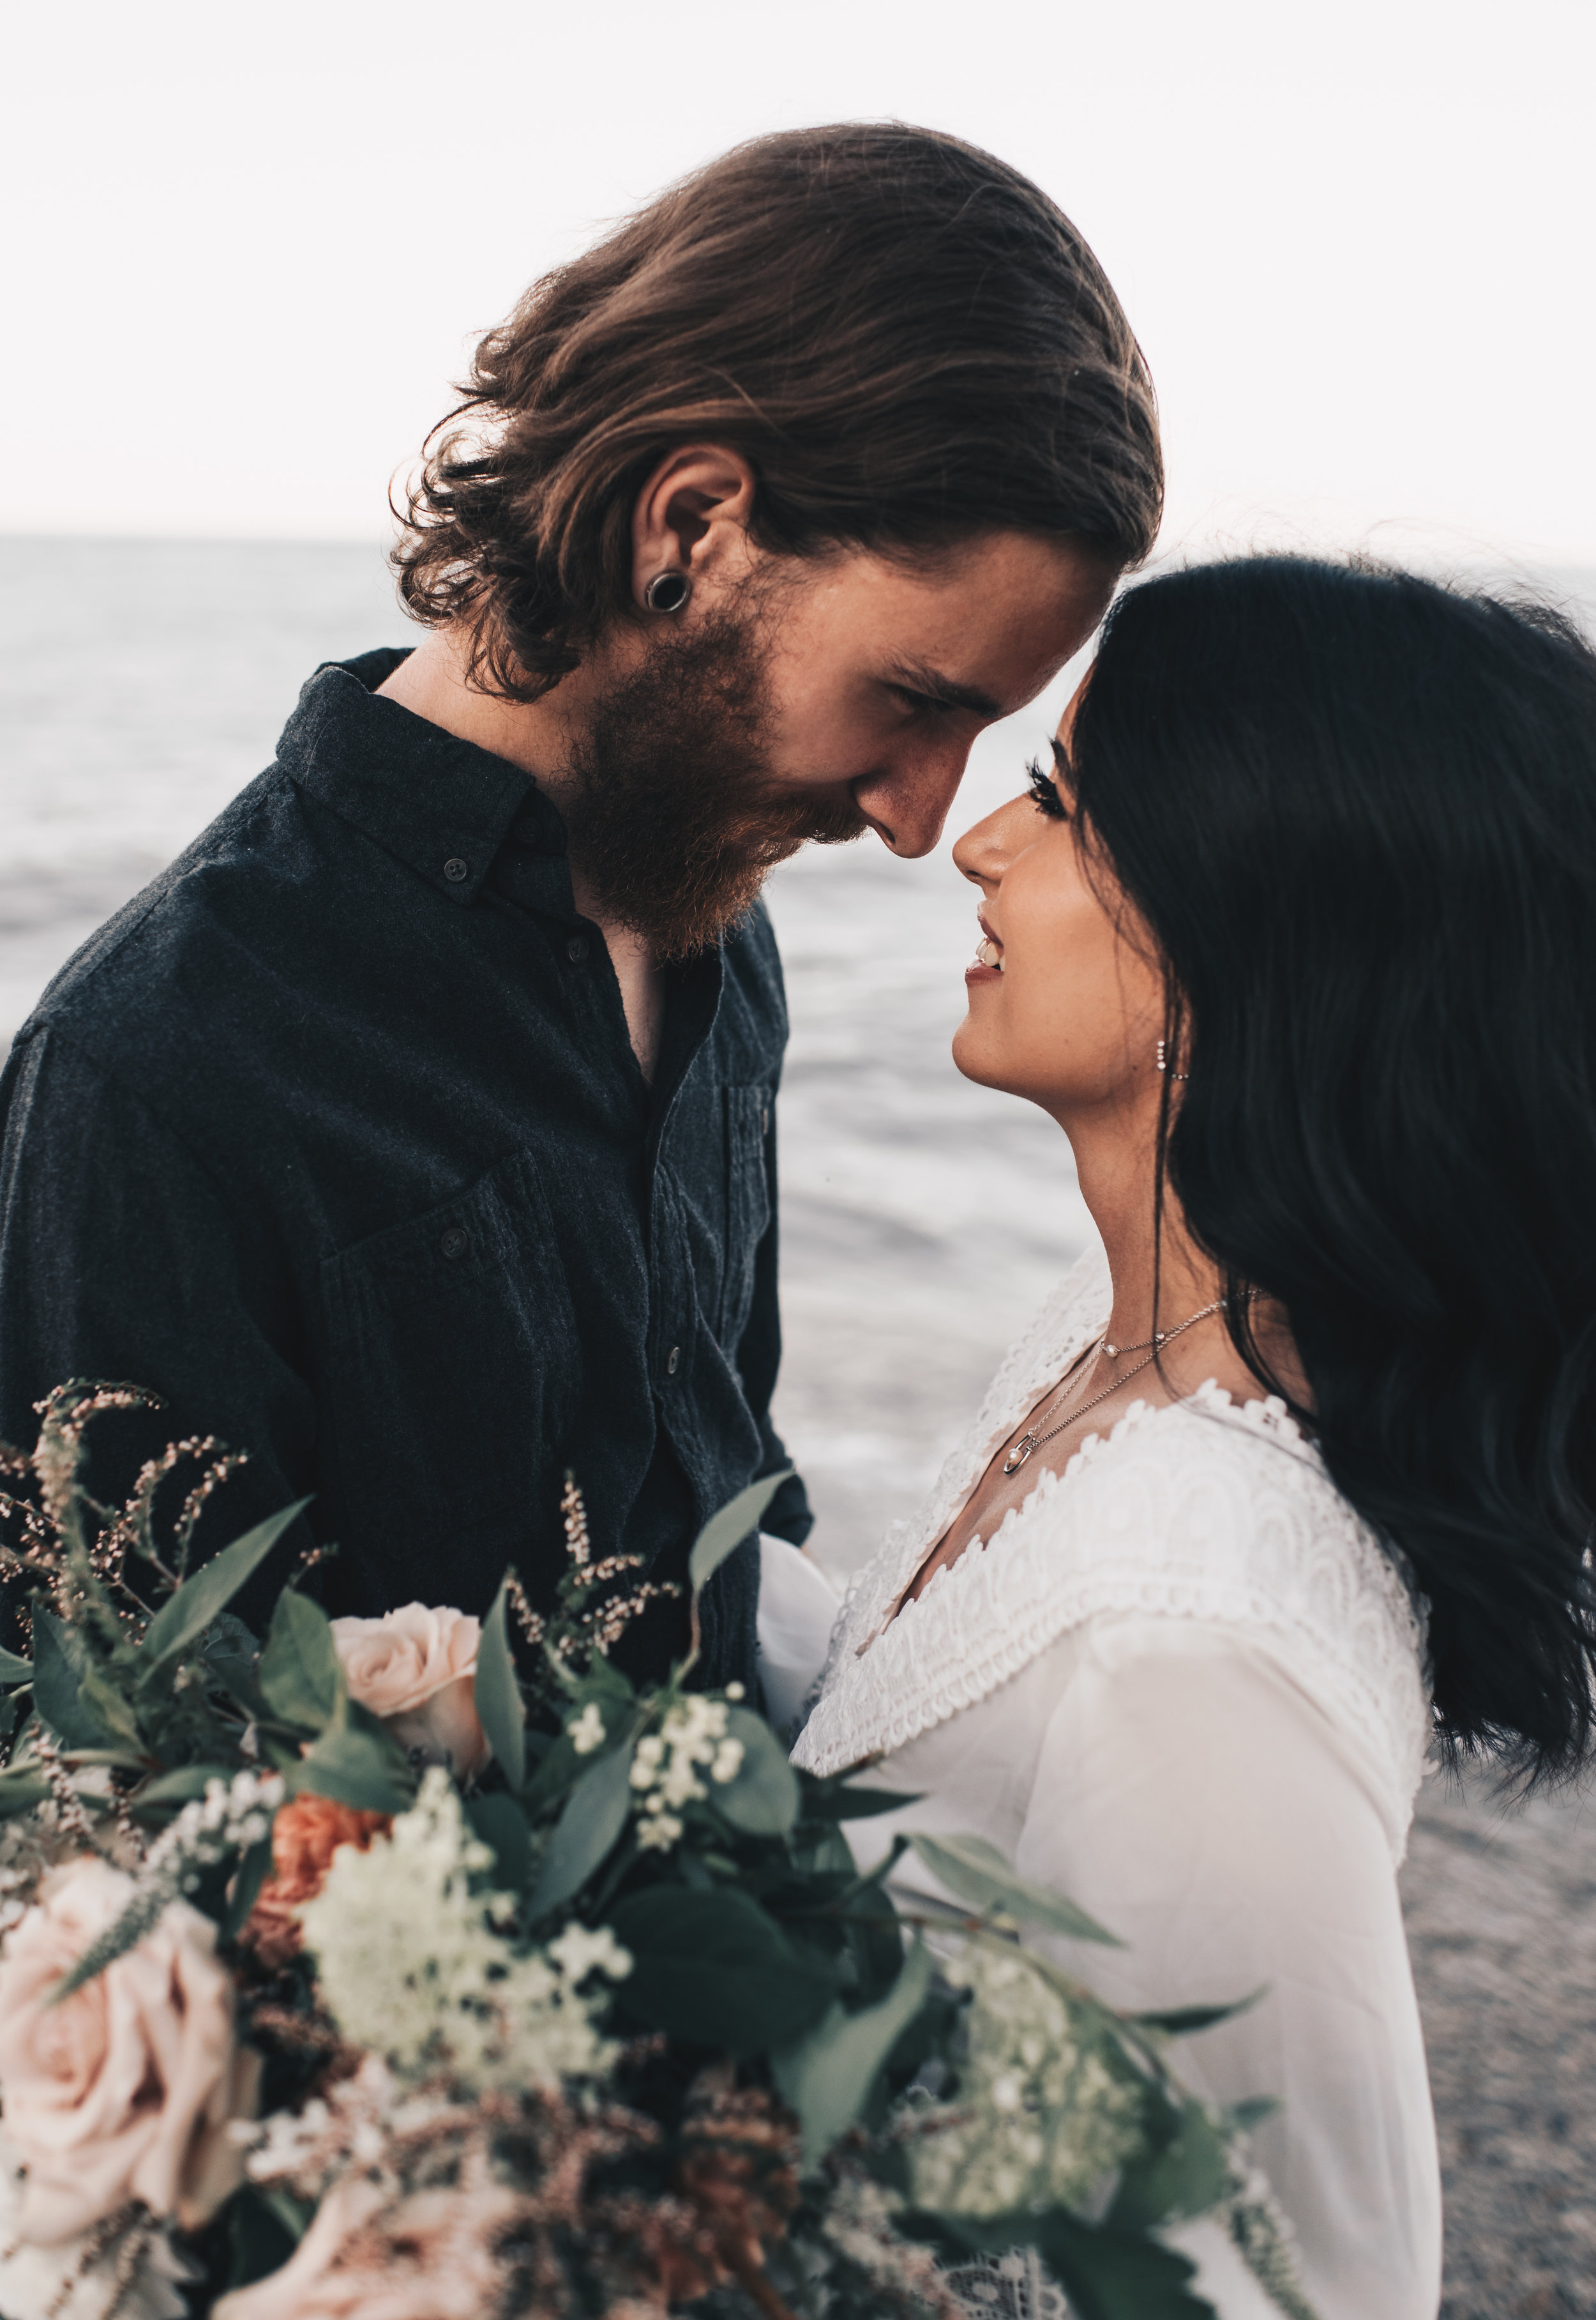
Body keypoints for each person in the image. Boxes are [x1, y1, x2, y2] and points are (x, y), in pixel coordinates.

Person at [0, 125, 1159, 1689]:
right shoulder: (155, 1074)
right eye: (906, 700)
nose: (915, 818)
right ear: (687, 527)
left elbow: (728, 1498)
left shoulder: (719, 941)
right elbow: (140, 1788)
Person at [794, 557, 1596, 2317]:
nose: (979, 840)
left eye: (1066, 799)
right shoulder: (1104, 1352)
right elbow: (945, 1719)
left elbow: (1298, 2279)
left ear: (1247, 934)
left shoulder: (1198, 1631)